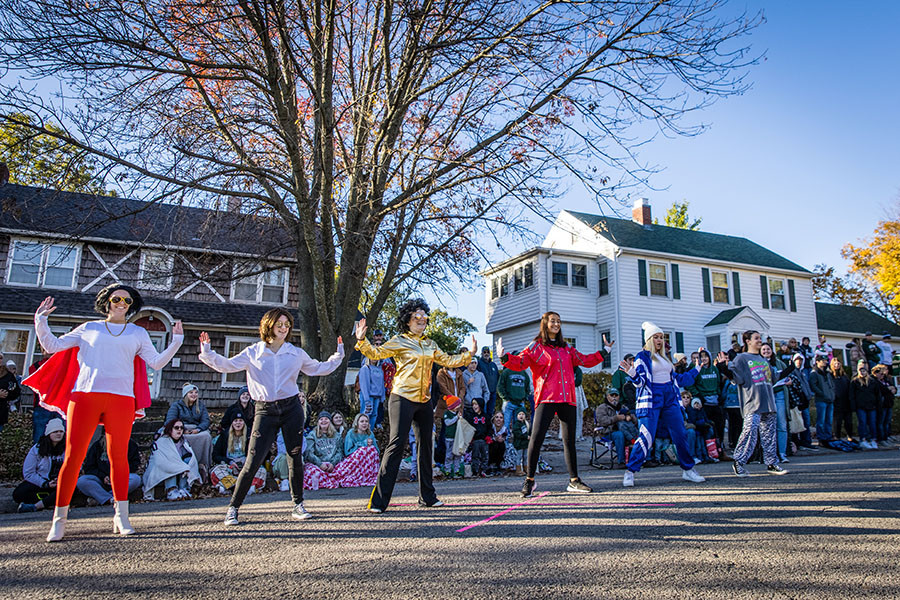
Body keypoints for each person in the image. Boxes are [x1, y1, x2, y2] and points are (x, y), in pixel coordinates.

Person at [27, 286, 183, 541]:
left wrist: (176, 342)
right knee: (73, 457)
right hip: (85, 396)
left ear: (132, 305)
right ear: (107, 302)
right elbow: (52, 346)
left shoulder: (138, 332)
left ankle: (121, 516)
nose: (121, 303)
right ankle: (59, 519)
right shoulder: (90, 327)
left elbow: (156, 362)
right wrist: (41, 320)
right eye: (116, 299)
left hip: (121, 399)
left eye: (127, 300)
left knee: (118, 457)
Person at [198, 307, 345, 525]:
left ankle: (298, 504)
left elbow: (318, 368)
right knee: (253, 459)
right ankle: (233, 508)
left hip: (291, 408)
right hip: (265, 409)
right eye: (280, 324)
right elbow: (227, 365)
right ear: (269, 326)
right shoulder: (254, 352)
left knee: (294, 455)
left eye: (287, 325)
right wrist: (208, 352)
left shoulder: (295, 353)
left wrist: (339, 354)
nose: (284, 328)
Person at [354, 298, 474, 513]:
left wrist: (469, 354)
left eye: (424, 316)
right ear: (407, 320)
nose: (421, 319)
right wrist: (362, 341)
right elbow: (376, 354)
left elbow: (447, 360)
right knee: (397, 444)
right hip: (402, 397)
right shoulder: (399, 340)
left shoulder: (430, 344)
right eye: (416, 316)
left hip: (424, 400)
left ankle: (427, 497)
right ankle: (379, 501)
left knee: (426, 446)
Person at [497, 312, 614, 497]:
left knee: (569, 441)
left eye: (559, 321)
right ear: (545, 324)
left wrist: (604, 352)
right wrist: (504, 358)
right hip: (546, 397)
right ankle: (529, 480)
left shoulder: (566, 348)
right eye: (553, 321)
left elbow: (585, 360)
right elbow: (520, 362)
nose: (557, 324)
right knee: (535, 439)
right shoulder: (536, 346)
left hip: (567, 398)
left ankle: (574, 481)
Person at [619, 322, 705, 488]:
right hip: (651, 399)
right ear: (649, 339)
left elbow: (678, 380)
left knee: (680, 432)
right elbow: (640, 382)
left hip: (670, 398)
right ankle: (630, 471)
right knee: (646, 437)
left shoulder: (665, 358)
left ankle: (688, 469)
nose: (659, 340)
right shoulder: (642, 356)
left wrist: (696, 370)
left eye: (661, 337)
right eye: (656, 337)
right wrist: (631, 373)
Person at [715, 330, 788, 477]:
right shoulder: (742, 358)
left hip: (768, 402)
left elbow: (774, 378)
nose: (759, 340)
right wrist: (722, 367)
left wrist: (791, 369)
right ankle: (739, 462)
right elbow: (735, 377)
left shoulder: (763, 359)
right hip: (752, 402)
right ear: (747, 341)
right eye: (756, 338)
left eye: (760, 338)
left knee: (769, 435)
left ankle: (771, 463)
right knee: (749, 432)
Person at [76, 428, 142, 506]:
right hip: (101, 480)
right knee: (82, 481)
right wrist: (103, 476)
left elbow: (134, 464)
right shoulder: (97, 446)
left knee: (135, 479)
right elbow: (89, 467)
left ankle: (104, 498)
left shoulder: (131, 445)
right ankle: (108, 499)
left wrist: (117, 475)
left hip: (120, 479)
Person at [14, 418, 65, 513]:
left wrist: (60, 479)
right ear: (49, 434)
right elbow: (28, 473)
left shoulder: (67, 448)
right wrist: (45, 483)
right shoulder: (37, 449)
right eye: (55, 432)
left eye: (61, 431)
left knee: (68, 490)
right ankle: (49, 501)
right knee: (19, 493)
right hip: (42, 483)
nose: (58, 434)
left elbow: (76, 467)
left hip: (61, 483)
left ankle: (36, 506)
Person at [143, 419, 201, 500]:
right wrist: (179, 466)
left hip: (181, 468)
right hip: (164, 468)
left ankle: (183, 488)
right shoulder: (162, 441)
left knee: (188, 461)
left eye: (181, 428)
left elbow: (191, 458)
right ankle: (171, 490)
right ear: (170, 429)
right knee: (171, 463)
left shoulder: (184, 442)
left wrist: (186, 465)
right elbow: (159, 461)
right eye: (176, 428)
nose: (179, 430)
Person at [166, 384, 213, 479]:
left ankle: (202, 464)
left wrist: (198, 429)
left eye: (196, 393)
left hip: (196, 429)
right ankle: (184, 462)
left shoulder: (200, 406)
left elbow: (206, 420)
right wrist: (182, 430)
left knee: (206, 436)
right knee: (180, 438)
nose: (194, 395)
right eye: (191, 392)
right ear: (186, 394)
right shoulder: (177, 405)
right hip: (181, 429)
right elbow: (170, 420)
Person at [211, 413, 265, 495]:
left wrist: (247, 461)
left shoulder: (250, 435)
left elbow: (257, 453)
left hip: (246, 466)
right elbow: (215, 456)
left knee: (262, 471)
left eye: (240, 421)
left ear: (244, 423)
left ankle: (243, 486)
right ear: (232, 423)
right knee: (216, 471)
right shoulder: (224, 435)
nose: (238, 423)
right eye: (235, 421)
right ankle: (236, 486)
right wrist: (229, 462)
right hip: (229, 466)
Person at [593, 389, 638, 468]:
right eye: (612, 395)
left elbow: (635, 420)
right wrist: (616, 418)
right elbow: (602, 421)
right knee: (619, 435)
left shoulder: (623, 407)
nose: (614, 398)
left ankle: (643, 458)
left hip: (625, 430)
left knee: (634, 431)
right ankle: (621, 461)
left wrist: (630, 417)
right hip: (607, 432)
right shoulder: (602, 408)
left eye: (616, 396)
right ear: (607, 397)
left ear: (619, 397)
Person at [690, 350, 724, 453]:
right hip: (704, 402)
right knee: (708, 428)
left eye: (706, 357)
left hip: (715, 401)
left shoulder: (714, 369)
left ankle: (720, 449)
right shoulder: (697, 370)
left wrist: (718, 394)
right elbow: (690, 384)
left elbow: (718, 383)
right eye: (702, 357)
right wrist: (699, 395)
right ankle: (709, 451)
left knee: (719, 426)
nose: (704, 359)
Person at [761, 343, 790, 462]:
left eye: (768, 349)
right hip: (766, 396)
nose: (766, 351)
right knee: (767, 427)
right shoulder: (757, 363)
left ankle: (782, 453)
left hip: (779, 395)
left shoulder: (779, 363)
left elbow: (788, 375)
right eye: (763, 349)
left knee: (781, 425)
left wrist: (789, 381)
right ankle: (770, 455)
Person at [303, 411, 344, 488]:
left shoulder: (337, 435)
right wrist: (320, 464)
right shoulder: (312, 435)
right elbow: (309, 453)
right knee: (313, 472)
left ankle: (330, 480)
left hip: (333, 464)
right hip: (317, 464)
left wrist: (333, 463)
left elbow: (339, 452)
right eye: (321, 419)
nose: (324, 421)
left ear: (330, 422)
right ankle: (329, 481)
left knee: (345, 468)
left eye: (326, 419)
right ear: (318, 422)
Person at [850, 361, 880, 449]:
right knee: (862, 423)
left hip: (871, 405)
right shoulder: (855, 382)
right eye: (861, 371)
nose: (862, 372)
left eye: (864, 371)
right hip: (860, 406)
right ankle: (863, 439)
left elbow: (877, 394)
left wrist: (877, 404)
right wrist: (853, 406)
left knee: (872, 423)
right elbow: (851, 395)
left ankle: (873, 440)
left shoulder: (872, 381)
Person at [498, 354, 531, 430]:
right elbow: (500, 386)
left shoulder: (524, 373)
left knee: (519, 426)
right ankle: (504, 441)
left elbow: (527, 387)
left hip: (520, 403)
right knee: (505, 425)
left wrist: (524, 398)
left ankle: (517, 441)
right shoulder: (506, 372)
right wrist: (505, 398)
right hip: (509, 403)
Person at [808, 355, 835, 443]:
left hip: (830, 399)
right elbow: (813, 386)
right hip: (821, 400)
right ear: (817, 362)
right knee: (821, 420)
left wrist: (832, 394)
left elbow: (831, 385)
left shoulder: (827, 373)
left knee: (829, 420)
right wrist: (822, 393)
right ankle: (821, 438)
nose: (825, 362)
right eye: (822, 360)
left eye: (825, 360)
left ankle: (828, 436)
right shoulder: (814, 373)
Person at [465, 398, 490, 477]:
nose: (474, 406)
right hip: (475, 440)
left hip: (484, 439)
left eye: (476, 404)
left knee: (485, 456)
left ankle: (483, 470)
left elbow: (489, 427)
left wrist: (488, 436)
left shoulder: (486, 416)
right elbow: (468, 428)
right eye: (473, 405)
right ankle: (475, 471)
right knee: (475, 456)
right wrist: (470, 438)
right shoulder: (470, 416)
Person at [872, 365, 896, 446]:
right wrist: (889, 389)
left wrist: (893, 389)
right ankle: (881, 438)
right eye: (881, 373)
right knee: (881, 422)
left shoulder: (886, 380)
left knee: (887, 422)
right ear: (876, 373)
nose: (882, 375)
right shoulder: (874, 381)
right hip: (882, 404)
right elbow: (882, 390)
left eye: (883, 374)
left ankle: (887, 436)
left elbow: (893, 387)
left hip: (888, 403)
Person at [830, 358, 853, 441]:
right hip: (836, 402)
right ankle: (837, 437)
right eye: (835, 364)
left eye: (838, 363)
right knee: (837, 421)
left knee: (848, 422)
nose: (837, 365)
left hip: (846, 402)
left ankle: (850, 436)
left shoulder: (844, 376)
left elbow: (849, 387)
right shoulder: (830, 375)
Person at [442, 395, 464, 478]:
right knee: (449, 454)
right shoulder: (447, 414)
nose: (459, 406)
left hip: (457, 437)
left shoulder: (457, 413)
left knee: (458, 454)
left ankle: (456, 470)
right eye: (457, 405)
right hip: (449, 437)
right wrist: (456, 418)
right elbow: (448, 422)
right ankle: (447, 470)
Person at [0, 351, 22, 434]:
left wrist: (7, 394)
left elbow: (16, 391)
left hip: (1, 412)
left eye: (0, 358)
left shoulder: (8, 375)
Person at [477, 346, 500, 418]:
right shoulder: (479, 363)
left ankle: (489, 427)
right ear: (482, 353)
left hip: (493, 391)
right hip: (483, 392)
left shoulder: (493, 364)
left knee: (491, 411)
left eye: (487, 352)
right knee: (483, 411)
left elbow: (498, 377)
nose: (486, 354)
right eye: (484, 352)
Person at [510, 410, 530, 476]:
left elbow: (528, 431)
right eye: (519, 414)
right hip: (519, 444)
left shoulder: (526, 424)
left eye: (523, 414)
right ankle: (518, 470)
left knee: (525, 456)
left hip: (526, 444)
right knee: (519, 457)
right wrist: (526, 437)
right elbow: (517, 434)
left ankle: (526, 468)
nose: (521, 416)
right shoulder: (516, 424)